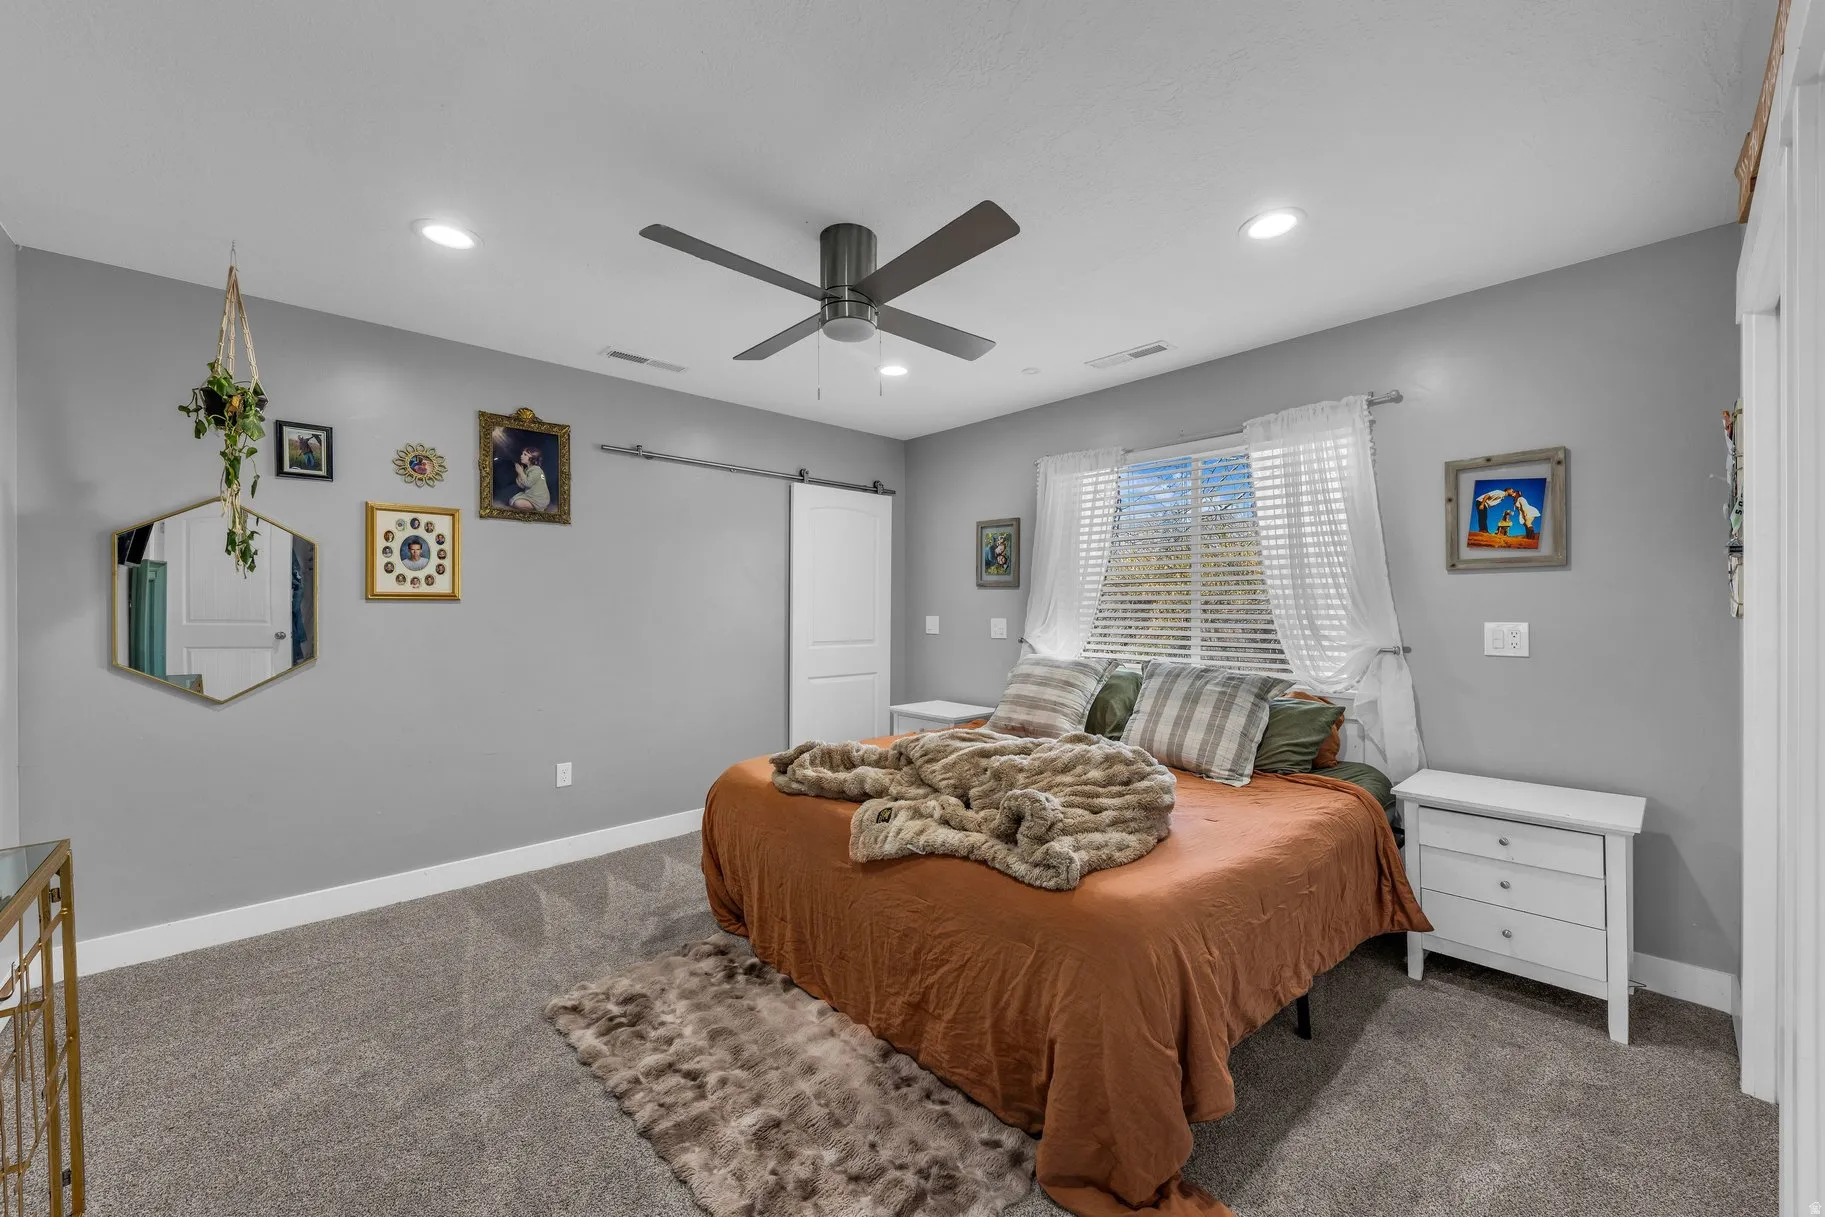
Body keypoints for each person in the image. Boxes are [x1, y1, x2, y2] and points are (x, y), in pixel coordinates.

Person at [509, 445, 551, 512]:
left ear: (532, 458)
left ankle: (538, 507)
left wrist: (520, 473)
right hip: (530, 495)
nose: (521, 456)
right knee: (512, 501)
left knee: (517, 503)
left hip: (539, 498)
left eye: (525, 454)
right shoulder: (527, 469)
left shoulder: (537, 470)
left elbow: (528, 484)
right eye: (522, 454)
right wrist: (520, 473)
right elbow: (522, 486)